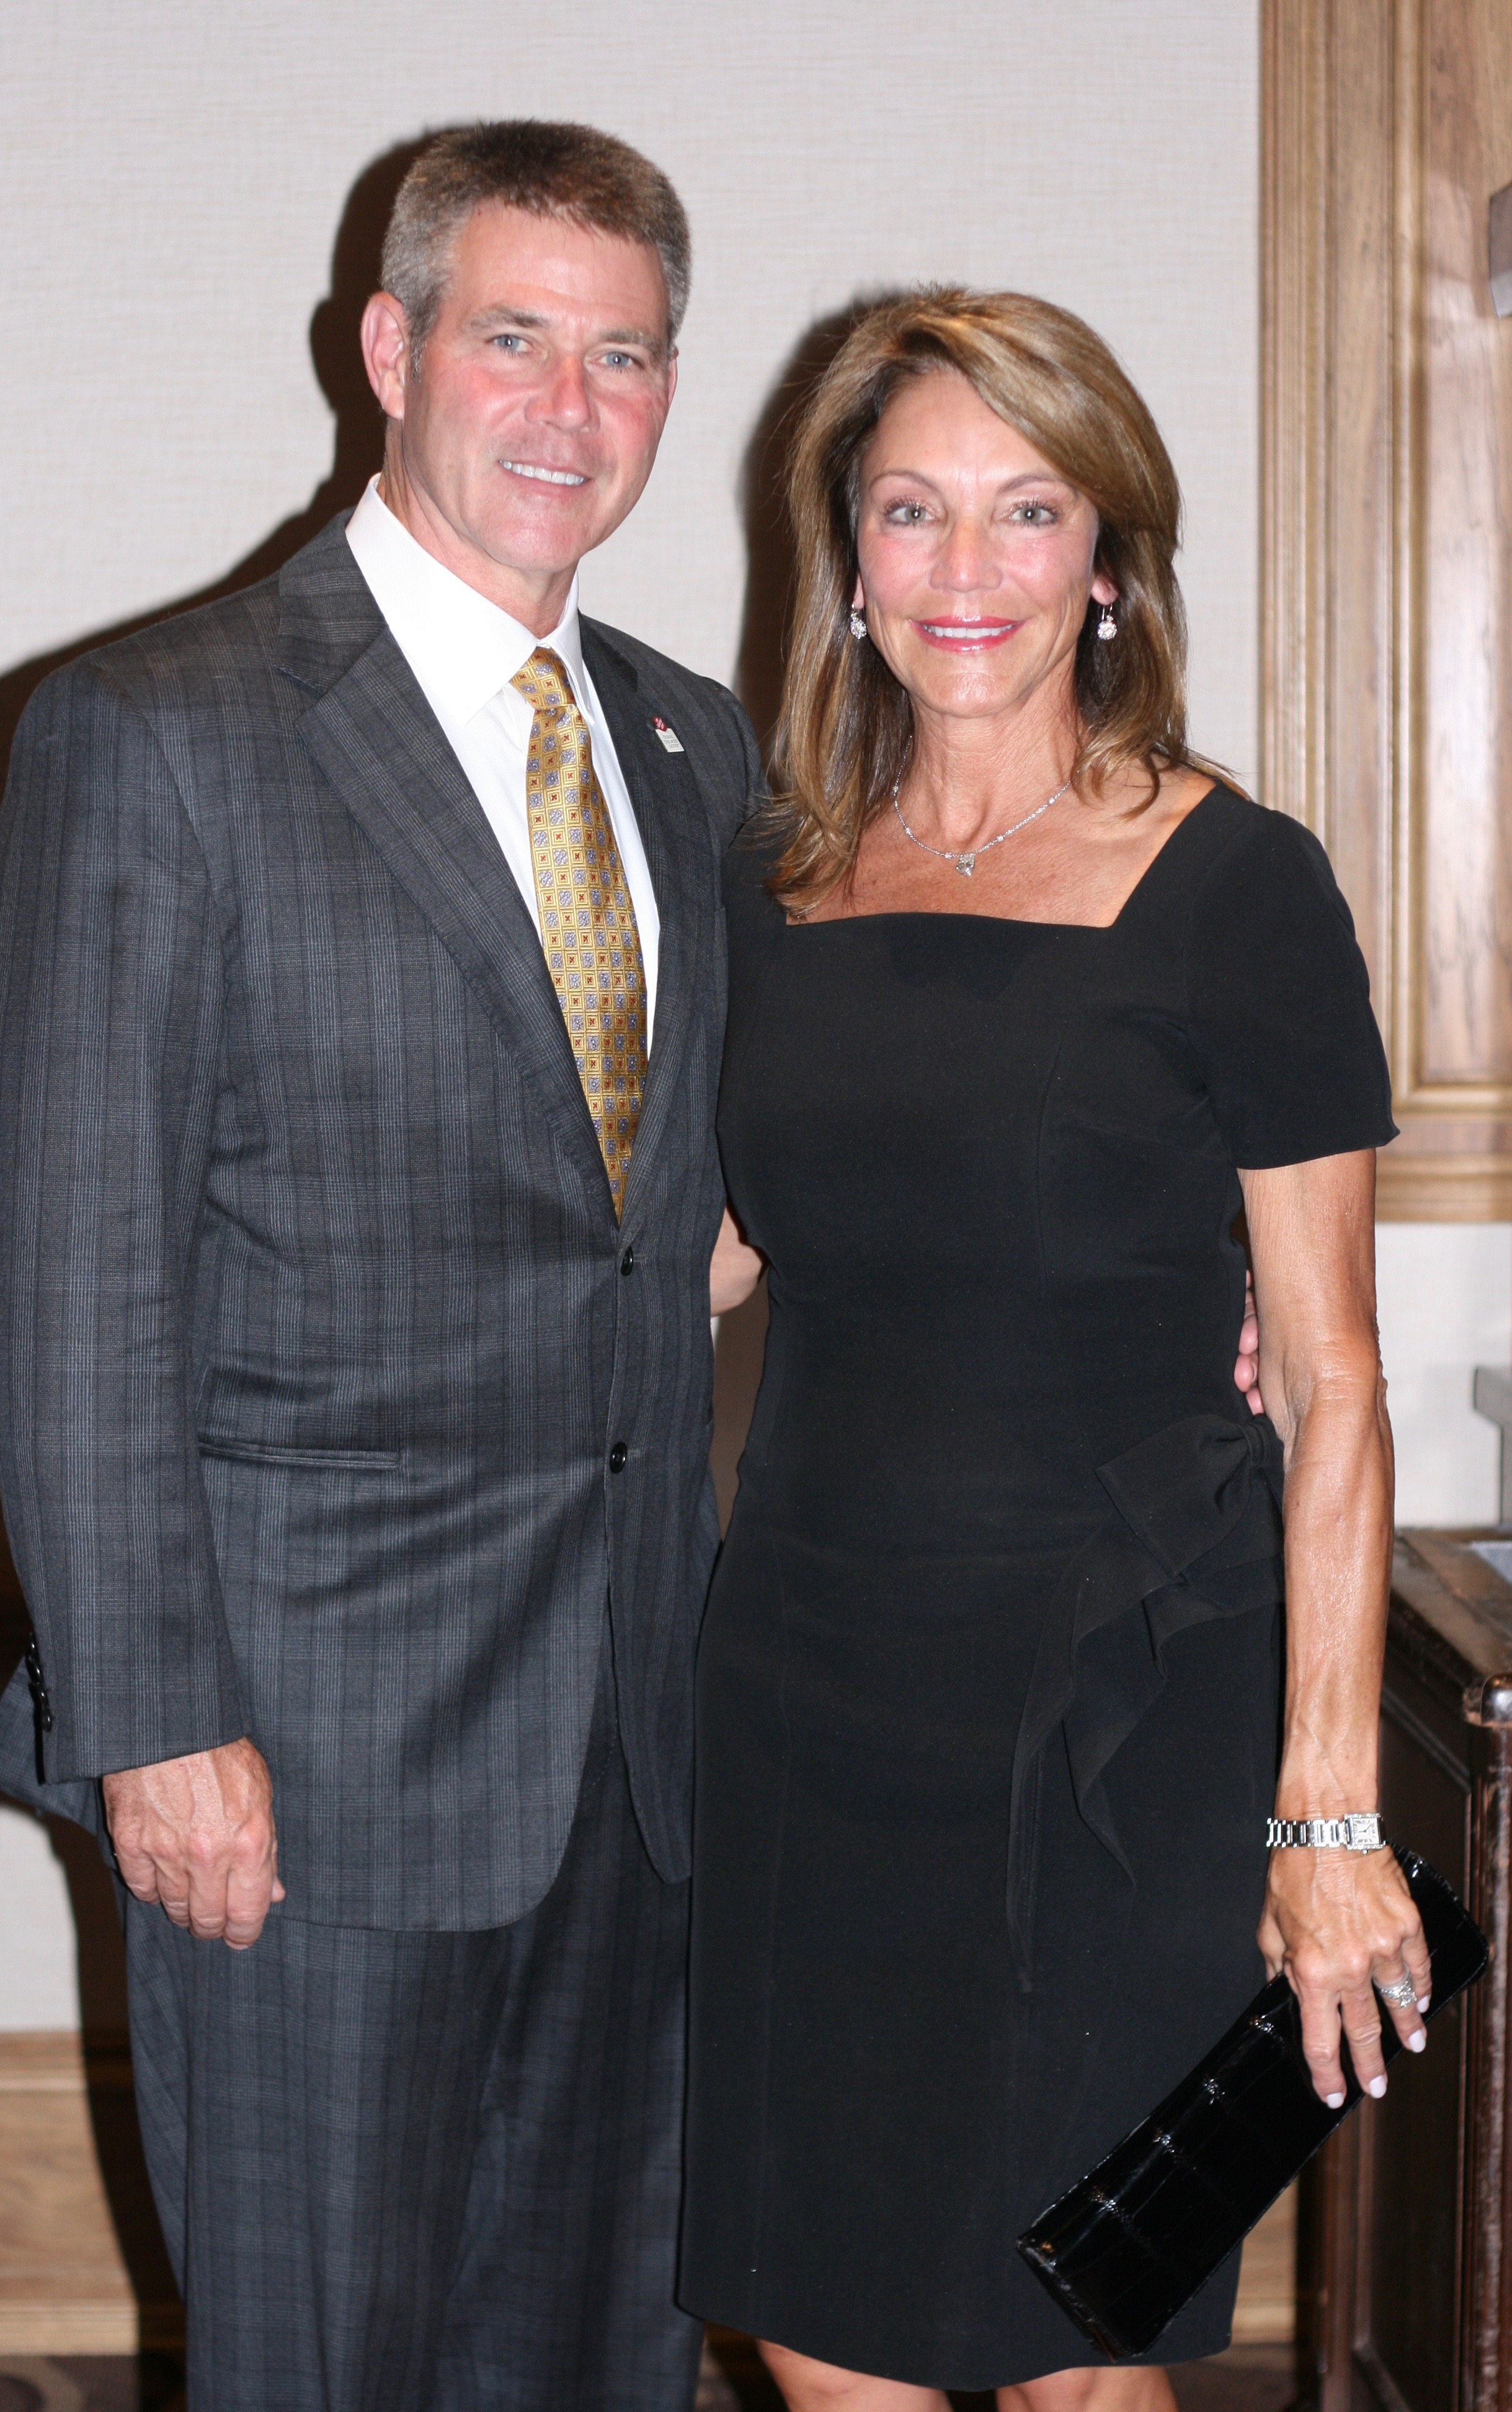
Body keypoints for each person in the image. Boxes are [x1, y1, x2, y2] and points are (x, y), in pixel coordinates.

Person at [0, 120, 765, 2412]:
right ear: (390, 350)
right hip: (300, 1765)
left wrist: (1159, 1296)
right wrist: (154, 1722)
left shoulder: (691, 747)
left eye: (625, 357)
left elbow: (729, 1199)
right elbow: (71, 1281)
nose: (569, 408)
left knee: (602, 2359)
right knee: (327, 2370)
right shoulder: (160, 733)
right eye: (515, 339)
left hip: (640, 1752)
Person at [680, 289, 1430, 2412]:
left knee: (1075, 2340)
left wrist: (1326, 1813)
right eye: (911, 510)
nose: (967, 568)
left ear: (1109, 557)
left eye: (1028, 510)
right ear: (847, 557)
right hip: (808, 1678)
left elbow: (1335, 1383)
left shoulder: (1239, 883)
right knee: (807, 2317)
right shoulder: (772, 878)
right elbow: (718, 1256)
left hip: (1123, 1706)